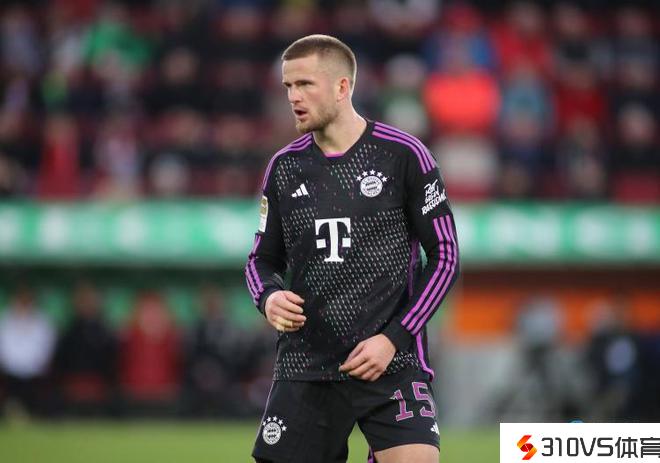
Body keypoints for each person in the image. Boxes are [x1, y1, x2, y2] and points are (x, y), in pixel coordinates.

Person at [245, 35, 459, 463]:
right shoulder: (284, 167)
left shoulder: (404, 155)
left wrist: (394, 338)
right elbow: (261, 260)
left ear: (342, 87)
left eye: (305, 84)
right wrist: (268, 297)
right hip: (307, 365)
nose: (293, 97)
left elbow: (445, 257)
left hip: (391, 363)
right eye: (288, 86)